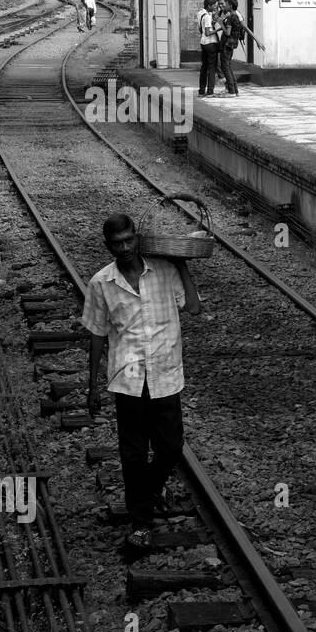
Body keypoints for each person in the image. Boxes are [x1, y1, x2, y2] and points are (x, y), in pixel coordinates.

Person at [84, 208, 202, 551]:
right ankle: (141, 521)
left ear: (137, 237)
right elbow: (96, 334)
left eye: (129, 239)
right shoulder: (101, 283)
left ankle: (146, 495)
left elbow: (192, 307)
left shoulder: (164, 271)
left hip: (165, 373)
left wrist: (181, 261)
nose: (124, 247)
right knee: (133, 454)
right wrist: (92, 387)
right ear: (108, 246)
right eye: (117, 243)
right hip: (128, 378)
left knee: (170, 448)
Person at [197, 0, 221, 97]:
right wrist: (218, 30)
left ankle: (201, 90)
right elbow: (207, 32)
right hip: (210, 43)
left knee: (204, 67)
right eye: (214, 6)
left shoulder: (200, 13)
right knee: (212, 68)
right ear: (209, 6)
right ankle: (210, 91)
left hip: (203, 43)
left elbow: (201, 29)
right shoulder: (207, 16)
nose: (215, 8)